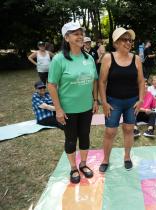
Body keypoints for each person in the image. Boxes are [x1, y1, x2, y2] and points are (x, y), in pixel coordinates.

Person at [48, 22, 99, 184]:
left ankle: (83, 164)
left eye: (81, 33)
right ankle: (73, 167)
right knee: (71, 139)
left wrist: (95, 99)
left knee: (85, 136)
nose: (80, 36)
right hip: (68, 109)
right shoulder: (58, 59)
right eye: (75, 33)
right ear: (66, 37)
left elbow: (95, 80)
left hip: (86, 107)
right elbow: (51, 85)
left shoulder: (89, 58)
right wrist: (58, 109)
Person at [99, 27, 145, 172]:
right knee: (110, 132)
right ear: (116, 43)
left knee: (129, 129)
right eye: (124, 39)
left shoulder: (136, 59)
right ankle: (105, 160)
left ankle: (127, 157)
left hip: (132, 101)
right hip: (113, 102)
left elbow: (141, 82)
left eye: (130, 40)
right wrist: (104, 102)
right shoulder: (108, 57)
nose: (128, 42)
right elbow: (101, 82)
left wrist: (141, 99)